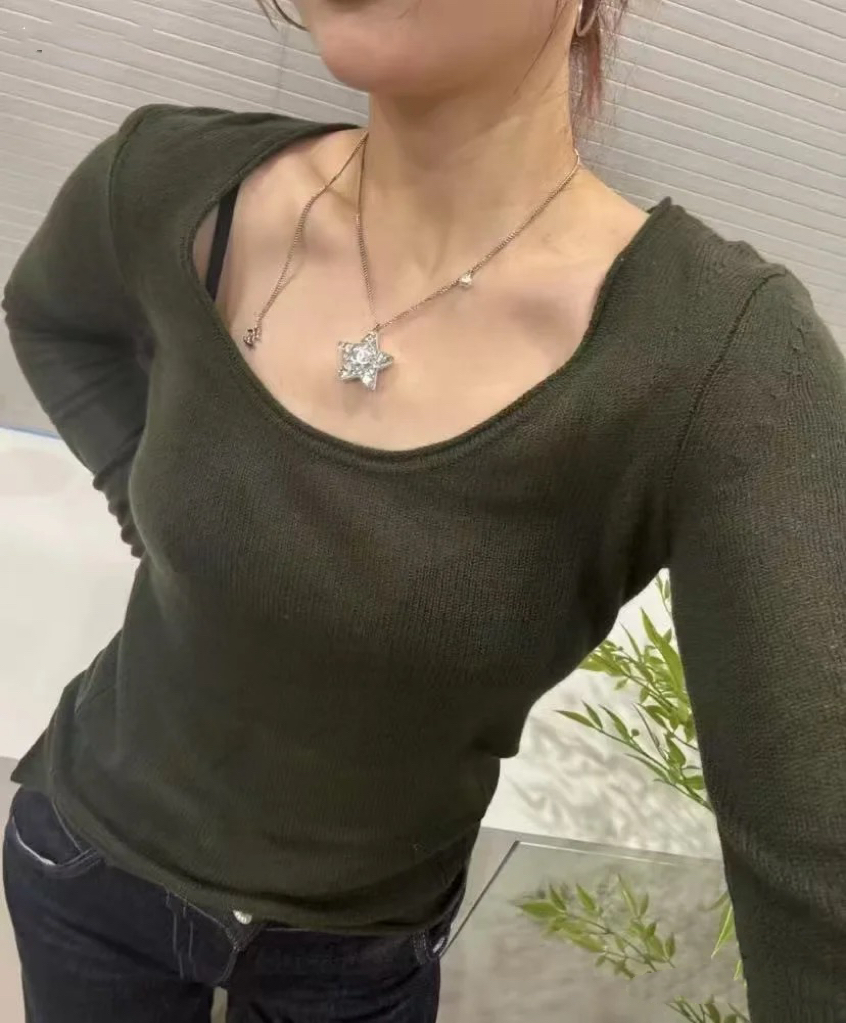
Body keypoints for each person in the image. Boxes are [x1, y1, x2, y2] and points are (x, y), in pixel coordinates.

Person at [2, 0, 845, 1020]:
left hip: (355, 957)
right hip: (84, 862)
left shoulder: (713, 362)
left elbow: (819, 875)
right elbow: (52, 319)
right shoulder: (174, 183)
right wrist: (147, 508)